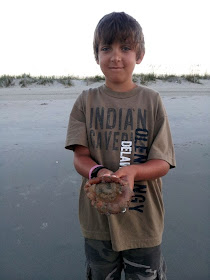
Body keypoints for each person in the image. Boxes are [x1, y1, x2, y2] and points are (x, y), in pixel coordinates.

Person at [65, 11, 176, 280]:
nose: (115, 56)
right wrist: (99, 173)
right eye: (107, 48)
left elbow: (163, 162)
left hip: (143, 223)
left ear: (139, 55)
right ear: (97, 56)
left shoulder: (152, 101)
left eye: (125, 48)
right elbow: (80, 156)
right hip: (98, 223)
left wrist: (135, 172)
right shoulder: (86, 101)